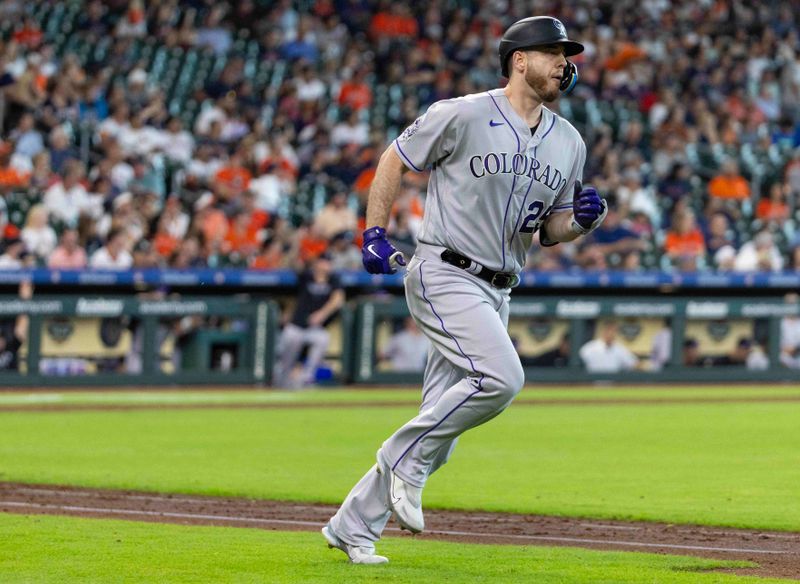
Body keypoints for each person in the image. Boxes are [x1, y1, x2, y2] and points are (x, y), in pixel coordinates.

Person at [324, 17, 607, 564]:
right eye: (553, 52)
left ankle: (352, 526)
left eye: (567, 54)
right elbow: (394, 159)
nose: (564, 63)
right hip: (444, 271)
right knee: (502, 378)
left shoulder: (569, 141)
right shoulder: (462, 112)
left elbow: (548, 230)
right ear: (519, 60)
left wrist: (581, 223)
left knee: (443, 428)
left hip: (499, 288)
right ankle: (400, 457)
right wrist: (375, 232)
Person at [274, 254, 345, 388]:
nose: (327, 266)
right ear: (317, 263)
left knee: (323, 339)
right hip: (296, 326)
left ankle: (307, 377)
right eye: (324, 262)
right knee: (288, 350)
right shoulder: (307, 276)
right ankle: (282, 379)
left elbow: (338, 299)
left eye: (328, 263)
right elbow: (294, 264)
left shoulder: (333, 279)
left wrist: (322, 314)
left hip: (314, 328)